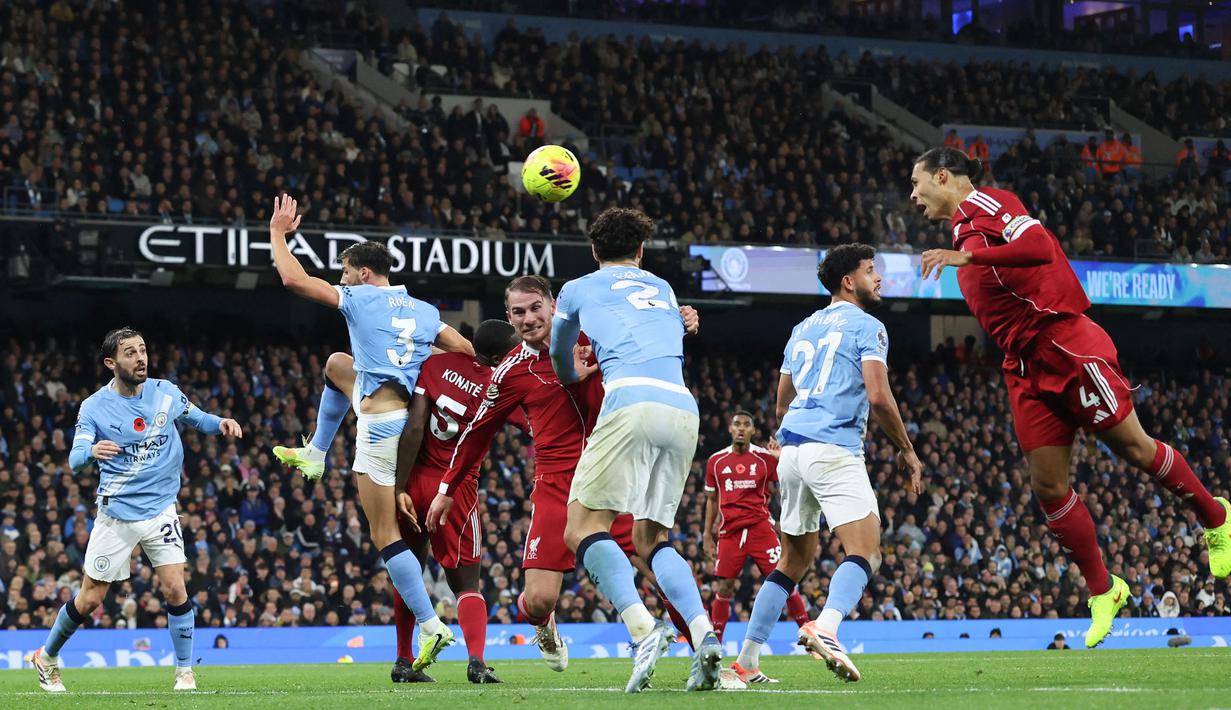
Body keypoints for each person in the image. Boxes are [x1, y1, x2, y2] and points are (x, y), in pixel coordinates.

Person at [910, 147, 1231, 648]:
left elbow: (1040, 245)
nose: (913, 195)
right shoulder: (959, 229)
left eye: (917, 183)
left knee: (1135, 448)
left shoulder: (988, 204)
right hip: (1023, 365)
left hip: (1062, 343)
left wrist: (970, 256)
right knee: (1048, 486)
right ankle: (1105, 589)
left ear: (944, 176)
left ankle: (1216, 517)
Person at [426, 275, 700, 674]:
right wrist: (447, 489)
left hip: (611, 472)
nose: (528, 318)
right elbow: (476, 434)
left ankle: (705, 653)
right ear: (509, 318)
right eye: (518, 312)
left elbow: (643, 329)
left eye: (535, 308)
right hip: (557, 485)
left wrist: (680, 318)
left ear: (553, 305)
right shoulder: (510, 372)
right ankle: (544, 624)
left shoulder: (593, 338)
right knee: (539, 600)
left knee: (657, 568)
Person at [266, 194, 473, 672]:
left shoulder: (359, 297)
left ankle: (432, 625)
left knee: (384, 534)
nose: (340, 279)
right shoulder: (424, 310)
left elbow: (294, 280)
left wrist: (278, 233)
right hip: (411, 420)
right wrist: (425, 363)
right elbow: (464, 350)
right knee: (337, 364)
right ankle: (317, 452)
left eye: (344, 272)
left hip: (381, 429)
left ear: (363, 273)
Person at [550, 207, 732, 693]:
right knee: (651, 539)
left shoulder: (576, 288)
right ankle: (704, 635)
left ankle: (642, 628)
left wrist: (572, 372)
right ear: (641, 250)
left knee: (581, 528)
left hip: (629, 400)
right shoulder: (664, 288)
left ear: (594, 250)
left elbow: (559, 354)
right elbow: (669, 329)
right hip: (682, 407)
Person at [732, 244, 923, 685]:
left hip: (792, 451)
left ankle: (746, 661)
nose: (878, 278)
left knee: (791, 562)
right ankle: (828, 626)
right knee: (866, 551)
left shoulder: (802, 328)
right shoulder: (868, 326)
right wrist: (906, 449)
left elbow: (782, 402)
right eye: (871, 270)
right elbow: (878, 396)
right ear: (848, 282)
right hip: (833, 449)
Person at [31, 327, 243, 693]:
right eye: (130, 352)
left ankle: (184, 672)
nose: (140, 358)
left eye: (142, 350)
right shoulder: (95, 407)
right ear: (111, 363)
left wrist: (220, 422)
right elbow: (75, 459)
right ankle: (47, 656)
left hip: (161, 510)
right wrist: (91, 452)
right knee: (91, 599)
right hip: (117, 514)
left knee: (175, 588)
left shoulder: (166, 392)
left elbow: (199, 418)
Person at [387, 320, 521, 685]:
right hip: (454, 489)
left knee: (408, 572)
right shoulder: (501, 384)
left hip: (414, 481)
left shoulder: (435, 365)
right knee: (467, 584)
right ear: (500, 356)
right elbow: (531, 422)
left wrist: (399, 487)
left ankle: (403, 659)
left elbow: (415, 427)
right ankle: (476, 661)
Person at [703, 411, 810, 654]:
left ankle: (808, 635)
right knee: (725, 586)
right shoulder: (716, 461)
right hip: (730, 531)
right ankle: (715, 647)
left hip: (760, 527)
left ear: (753, 431)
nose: (741, 428)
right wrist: (707, 535)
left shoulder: (764, 458)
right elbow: (711, 500)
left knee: (784, 580)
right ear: (730, 429)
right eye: (737, 424)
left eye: (746, 425)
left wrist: (782, 459)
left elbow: (792, 479)